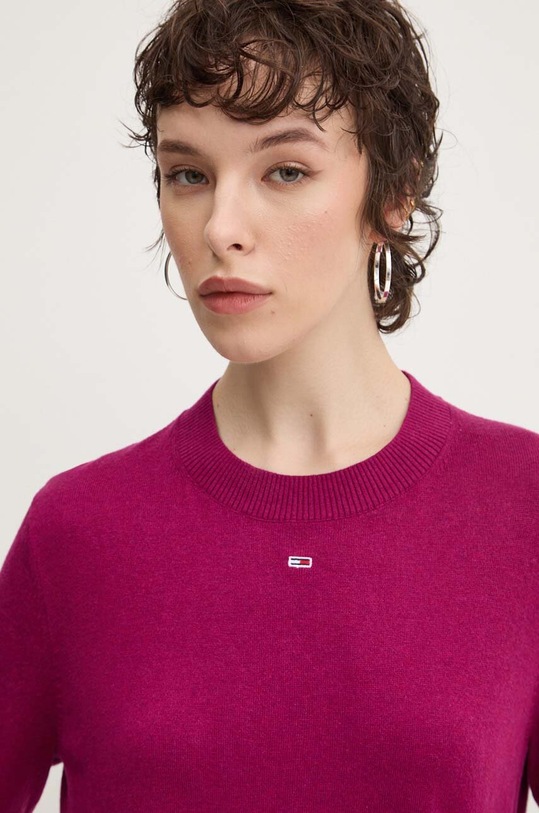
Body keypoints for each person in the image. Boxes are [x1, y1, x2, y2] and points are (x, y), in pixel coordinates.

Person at [1, 0, 538, 810]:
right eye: (188, 174)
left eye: (285, 171)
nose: (220, 228)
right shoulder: (77, 530)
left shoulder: (521, 508)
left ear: (394, 192)